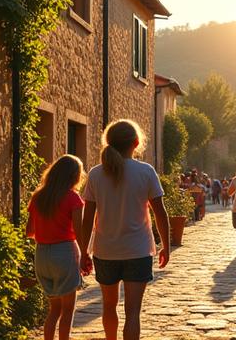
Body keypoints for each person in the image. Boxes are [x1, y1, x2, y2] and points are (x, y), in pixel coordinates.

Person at [80, 119, 170, 340]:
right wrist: (166, 246)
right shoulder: (146, 171)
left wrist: (83, 251)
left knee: (109, 308)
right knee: (132, 312)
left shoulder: (96, 174)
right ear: (136, 142)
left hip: (105, 251)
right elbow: (160, 212)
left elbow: (87, 217)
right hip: (137, 251)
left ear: (108, 143)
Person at [26, 155, 86, 340]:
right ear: (74, 176)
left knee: (54, 310)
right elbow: (79, 231)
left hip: (42, 254)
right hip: (65, 252)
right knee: (68, 310)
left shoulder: (38, 197)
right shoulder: (72, 198)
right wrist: (85, 255)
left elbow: (29, 231)